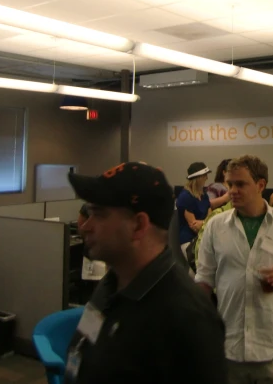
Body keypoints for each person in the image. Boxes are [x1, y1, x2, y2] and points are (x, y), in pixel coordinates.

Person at [64, 161, 228, 384]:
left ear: (139, 225)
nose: (85, 226)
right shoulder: (111, 285)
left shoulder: (189, 318)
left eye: (99, 214)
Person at [196, 155, 273, 384]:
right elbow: (204, 277)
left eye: (240, 184)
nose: (232, 190)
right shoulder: (215, 226)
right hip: (230, 346)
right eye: (230, 184)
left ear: (261, 185)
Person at [176, 162, 212, 257]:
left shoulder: (204, 195)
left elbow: (211, 219)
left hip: (203, 238)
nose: (207, 178)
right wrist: (207, 224)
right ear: (198, 178)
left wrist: (203, 224)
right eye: (205, 175)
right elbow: (194, 226)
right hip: (189, 241)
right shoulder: (185, 197)